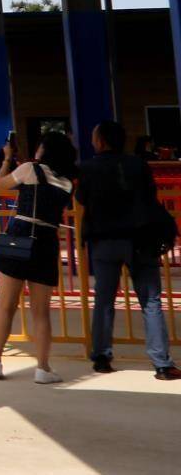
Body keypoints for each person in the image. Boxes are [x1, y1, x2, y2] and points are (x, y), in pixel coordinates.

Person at [78, 119, 178, 378]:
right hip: (141, 241)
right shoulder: (138, 164)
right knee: (151, 301)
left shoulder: (88, 168)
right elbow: (150, 196)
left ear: (100, 141)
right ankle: (162, 363)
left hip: (105, 242)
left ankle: (102, 357)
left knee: (104, 301)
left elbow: (81, 199)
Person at [0, 130, 78, 382]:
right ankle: (43, 368)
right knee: (41, 312)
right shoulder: (67, 181)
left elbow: (0, 184)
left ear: (44, 150)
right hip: (46, 241)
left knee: (6, 306)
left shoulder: (29, 169)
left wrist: (7, 159)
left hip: (20, 235)